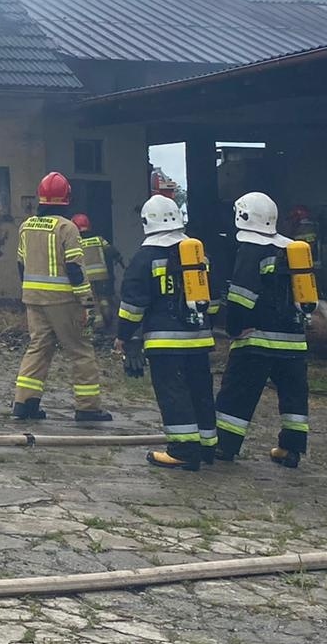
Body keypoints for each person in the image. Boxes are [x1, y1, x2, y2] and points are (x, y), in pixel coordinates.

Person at [116, 195, 217, 470]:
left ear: (146, 222)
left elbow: (133, 304)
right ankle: (207, 446)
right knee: (201, 390)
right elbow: (214, 298)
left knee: (174, 392)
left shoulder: (145, 257)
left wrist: (123, 335)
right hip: (199, 337)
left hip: (165, 341)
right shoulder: (197, 254)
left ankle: (183, 450)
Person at [214, 192, 311, 468]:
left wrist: (233, 329)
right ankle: (290, 450)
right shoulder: (290, 248)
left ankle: (225, 446)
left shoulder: (250, 248)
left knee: (238, 392)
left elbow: (241, 296)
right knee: (294, 398)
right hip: (293, 341)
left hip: (257, 339)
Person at [12, 172, 111, 422]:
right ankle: (87, 408)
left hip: (33, 299)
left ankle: (24, 404)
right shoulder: (67, 228)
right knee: (81, 350)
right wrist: (87, 302)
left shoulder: (26, 226)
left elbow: (21, 264)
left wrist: (28, 291)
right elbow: (76, 269)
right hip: (64, 301)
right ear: (67, 198)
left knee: (38, 348)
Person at [71, 213, 124, 346]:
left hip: (85, 278)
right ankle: (108, 318)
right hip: (102, 276)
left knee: (91, 301)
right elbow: (112, 251)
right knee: (103, 298)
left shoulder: (76, 243)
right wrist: (121, 262)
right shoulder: (99, 239)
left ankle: (96, 328)